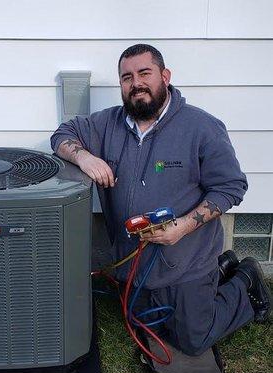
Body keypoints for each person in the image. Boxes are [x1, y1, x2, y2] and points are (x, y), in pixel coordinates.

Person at [50, 44, 271, 356]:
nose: (136, 83)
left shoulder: (202, 127)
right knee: (144, 324)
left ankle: (244, 281)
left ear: (165, 77)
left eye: (145, 73)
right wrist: (85, 157)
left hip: (187, 261)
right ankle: (223, 269)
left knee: (192, 339)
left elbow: (231, 186)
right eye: (127, 77)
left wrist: (181, 227)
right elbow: (61, 135)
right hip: (136, 264)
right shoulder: (106, 124)